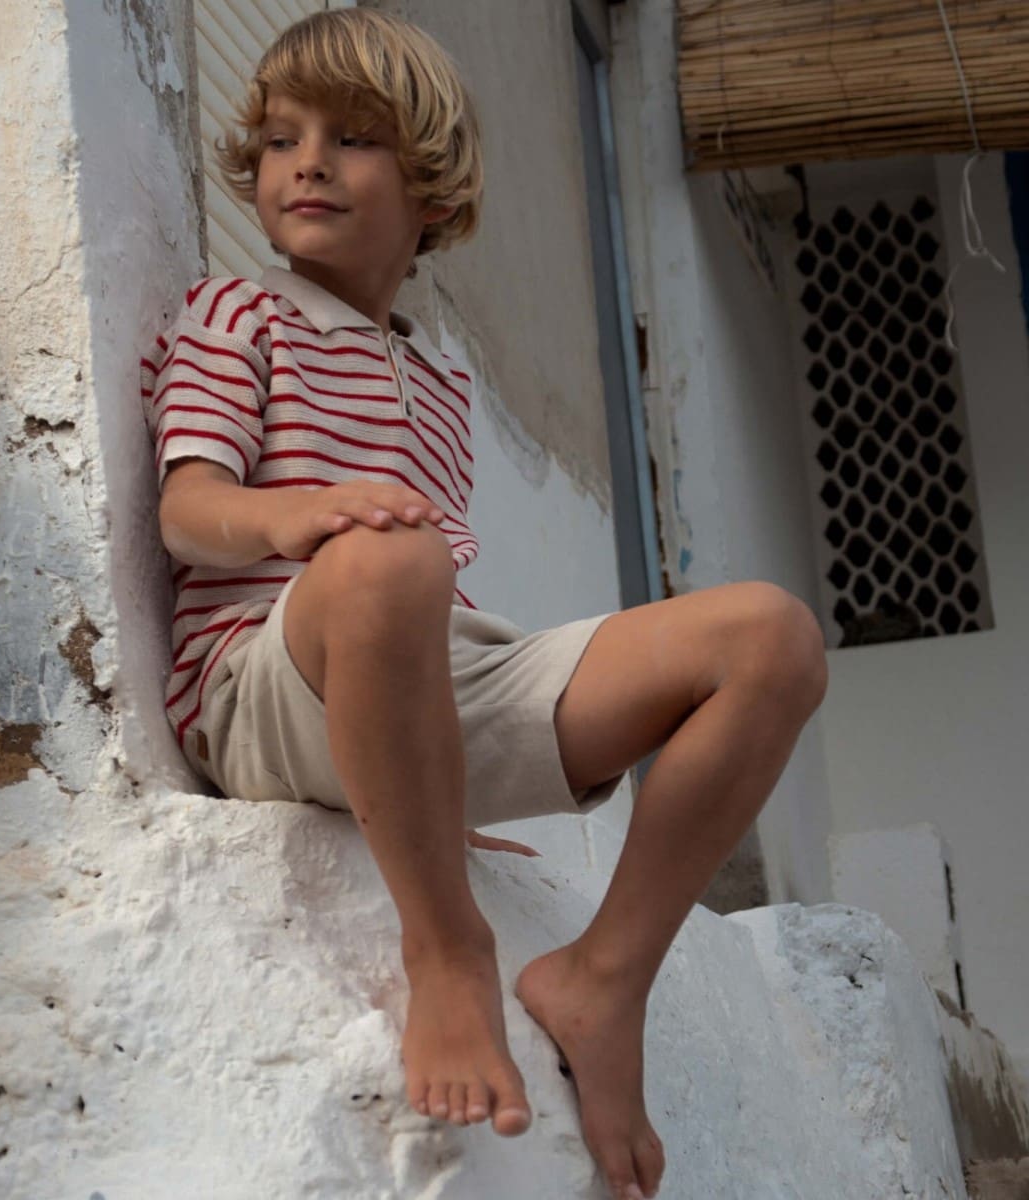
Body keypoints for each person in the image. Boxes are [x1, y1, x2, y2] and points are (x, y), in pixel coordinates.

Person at [140, 10, 827, 1198]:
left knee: (771, 636)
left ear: (432, 192)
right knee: (390, 558)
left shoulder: (442, 380)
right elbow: (187, 510)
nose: (306, 161)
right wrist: (294, 518)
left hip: (412, 668)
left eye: (351, 139)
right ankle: (448, 950)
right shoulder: (233, 315)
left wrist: (436, 782)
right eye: (279, 137)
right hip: (261, 682)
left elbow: (429, 615)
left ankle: (605, 978)